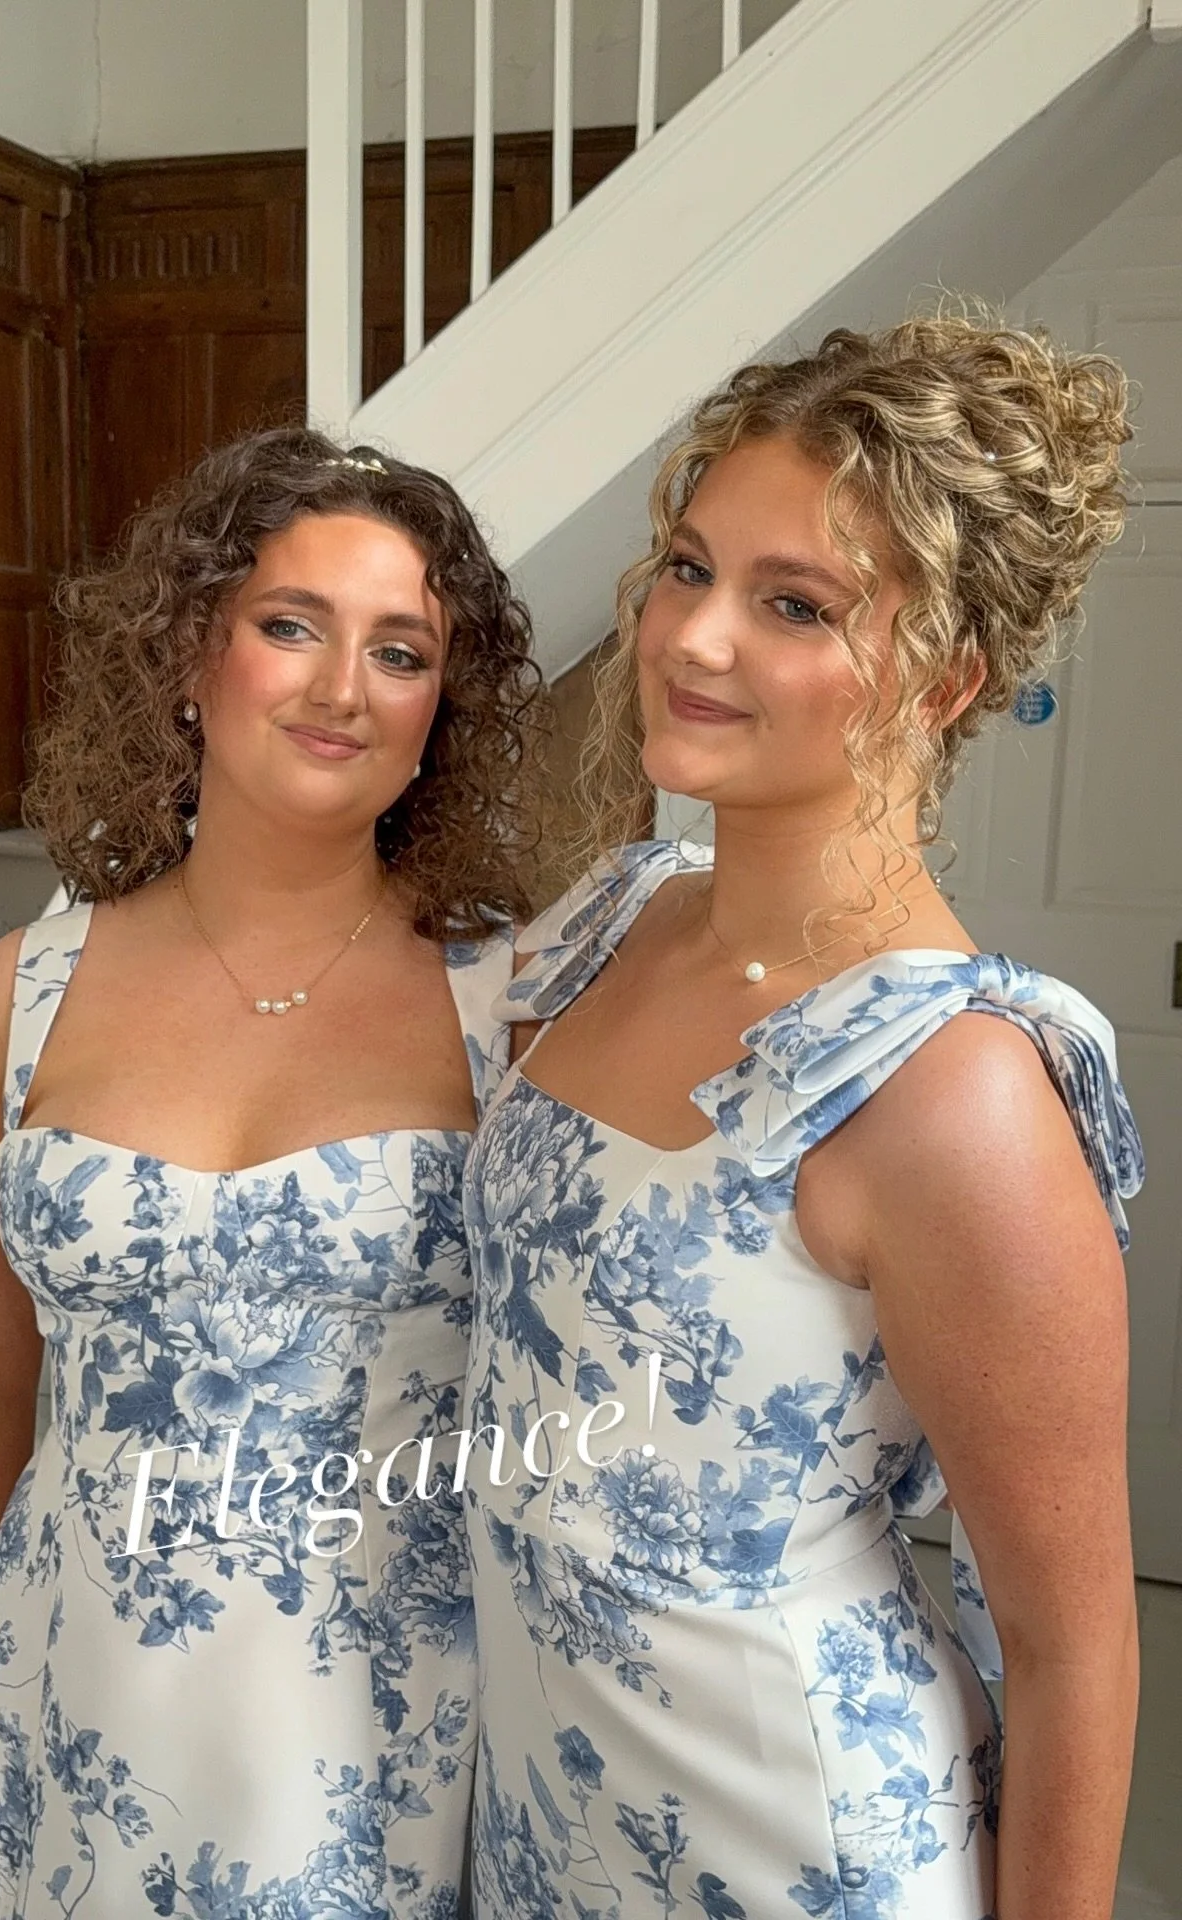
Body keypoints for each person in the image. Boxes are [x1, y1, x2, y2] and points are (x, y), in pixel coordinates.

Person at [461, 315, 1143, 1920]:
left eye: (794, 605)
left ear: (945, 677)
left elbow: (1072, 1648)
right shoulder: (613, 919)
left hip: (790, 1849)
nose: (693, 639)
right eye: (689, 569)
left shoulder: (954, 1086)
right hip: (545, 1818)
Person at [0, 426, 544, 1919]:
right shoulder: (24, 989)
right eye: (292, 626)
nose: (345, 689)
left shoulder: (510, 1003)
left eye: (400, 652)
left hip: (382, 1732)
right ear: (189, 656)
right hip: (74, 1702)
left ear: (438, 713)